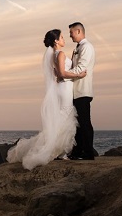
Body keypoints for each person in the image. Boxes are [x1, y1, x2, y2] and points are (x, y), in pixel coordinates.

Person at [7, 29, 87, 170]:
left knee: (62, 117)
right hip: (64, 87)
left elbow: (56, 73)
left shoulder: (53, 55)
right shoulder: (60, 54)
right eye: (62, 37)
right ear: (56, 41)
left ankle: (59, 150)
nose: (64, 39)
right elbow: (61, 74)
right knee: (65, 116)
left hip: (61, 88)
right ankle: (60, 152)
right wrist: (78, 75)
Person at [67, 22, 97, 160]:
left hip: (83, 90)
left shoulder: (87, 47)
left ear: (78, 31)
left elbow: (81, 68)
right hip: (76, 91)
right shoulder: (78, 48)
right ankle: (78, 151)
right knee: (78, 124)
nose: (70, 35)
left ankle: (89, 152)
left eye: (71, 32)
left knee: (85, 122)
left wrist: (64, 74)